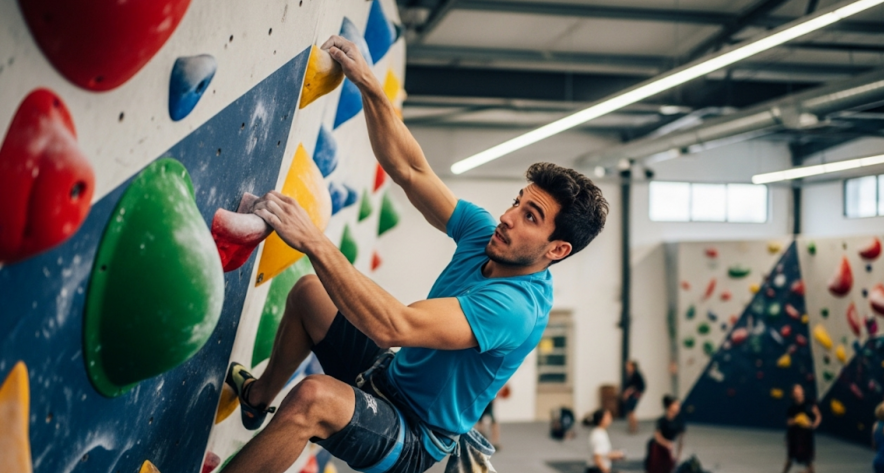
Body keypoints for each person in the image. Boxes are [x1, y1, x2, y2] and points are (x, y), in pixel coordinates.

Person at [220, 35, 610, 473]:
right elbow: (410, 170)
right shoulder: (486, 235)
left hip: (415, 434)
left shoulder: (514, 308)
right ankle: (256, 399)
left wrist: (314, 240)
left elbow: (394, 325)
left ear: (557, 249)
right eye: (517, 202)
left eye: (530, 217)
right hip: (389, 376)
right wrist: (371, 87)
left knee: (314, 398)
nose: (507, 217)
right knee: (309, 293)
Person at [783, 384, 821, 473]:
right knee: (790, 458)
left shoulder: (809, 404)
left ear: (803, 391)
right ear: (793, 394)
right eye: (796, 390)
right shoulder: (792, 407)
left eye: (799, 389)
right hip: (794, 435)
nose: (798, 391)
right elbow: (789, 422)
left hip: (806, 436)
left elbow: (818, 416)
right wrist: (797, 420)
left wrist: (813, 425)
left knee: (808, 460)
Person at [645, 395, 684, 473]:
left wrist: (678, 455)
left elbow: (681, 440)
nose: (678, 406)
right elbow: (657, 437)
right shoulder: (662, 420)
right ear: (670, 406)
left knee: (669, 467)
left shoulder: (680, 421)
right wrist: (667, 444)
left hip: (669, 447)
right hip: (657, 446)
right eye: (676, 404)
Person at [586, 408, 625, 473]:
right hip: (597, 470)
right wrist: (606, 470)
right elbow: (597, 458)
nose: (610, 418)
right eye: (607, 417)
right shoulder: (598, 435)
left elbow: (603, 454)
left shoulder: (601, 432)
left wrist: (615, 455)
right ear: (601, 420)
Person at [621, 360, 645, 434]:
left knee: (631, 411)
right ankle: (631, 426)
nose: (627, 367)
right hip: (631, 395)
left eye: (629, 365)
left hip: (635, 395)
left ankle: (634, 427)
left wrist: (630, 392)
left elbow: (639, 386)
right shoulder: (629, 374)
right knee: (629, 411)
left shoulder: (636, 374)